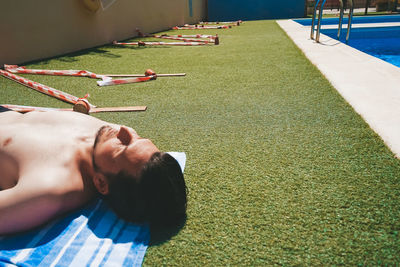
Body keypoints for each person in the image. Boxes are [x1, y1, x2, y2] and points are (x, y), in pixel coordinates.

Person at [0, 108, 187, 235]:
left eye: (123, 147)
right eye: (137, 137)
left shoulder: (51, 187)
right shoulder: (106, 134)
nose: (124, 130)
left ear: (101, 183)